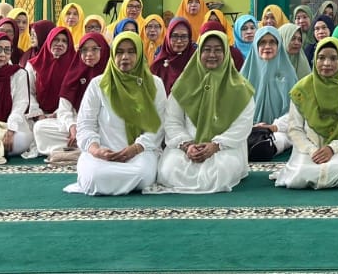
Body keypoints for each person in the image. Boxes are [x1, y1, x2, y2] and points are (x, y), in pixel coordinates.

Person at [156, 28, 256, 193]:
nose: (212, 55)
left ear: (226, 54)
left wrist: (215, 146)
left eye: (218, 50)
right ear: (198, 53)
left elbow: (242, 125)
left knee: (220, 171)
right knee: (169, 169)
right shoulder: (184, 84)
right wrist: (187, 145)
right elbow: (172, 120)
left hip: (225, 147)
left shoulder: (241, 88)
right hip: (188, 146)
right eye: (207, 50)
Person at [68, 31, 164, 195]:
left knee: (143, 175)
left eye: (131, 51)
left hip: (139, 152)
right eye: (119, 52)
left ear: (140, 54)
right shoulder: (98, 84)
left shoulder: (154, 84)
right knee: (93, 177)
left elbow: (157, 126)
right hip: (102, 153)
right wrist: (96, 150)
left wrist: (135, 148)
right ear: (112, 55)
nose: (125, 57)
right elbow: (85, 124)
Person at [274, 37, 338, 190]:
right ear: (315, 59)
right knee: (297, 178)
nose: (326, 63)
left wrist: (333, 148)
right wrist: (312, 150)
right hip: (310, 144)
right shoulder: (302, 89)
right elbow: (295, 128)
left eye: (333, 58)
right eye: (321, 57)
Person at [35, 31, 106, 156]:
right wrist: (72, 126)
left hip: (103, 127)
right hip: (78, 125)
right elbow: (64, 109)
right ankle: (87, 146)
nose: (89, 54)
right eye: (84, 50)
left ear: (104, 50)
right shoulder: (74, 74)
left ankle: (81, 147)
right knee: (40, 128)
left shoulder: (110, 75)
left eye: (94, 49)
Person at [243, 26, 300, 159]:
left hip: (280, 130)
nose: (267, 46)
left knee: (281, 139)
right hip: (249, 128)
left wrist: (273, 126)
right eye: (262, 42)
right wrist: (252, 127)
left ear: (279, 45)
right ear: (256, 46)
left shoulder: (289, 74)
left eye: (272, 42)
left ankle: (265, 145)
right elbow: (235, 110)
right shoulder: (244, 75)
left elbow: (296, 111)